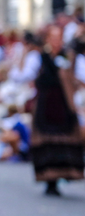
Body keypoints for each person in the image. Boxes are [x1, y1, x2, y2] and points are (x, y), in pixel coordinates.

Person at [29, 25, 84, 196]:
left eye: (59, 38)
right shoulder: (39, 57)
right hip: (45, 104)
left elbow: (77, 78)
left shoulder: (68, 57)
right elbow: (27, 76)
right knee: (46, 141)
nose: (56, 41)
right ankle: (49, 180)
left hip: (63, 104)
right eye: (53, 38)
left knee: (65, 140)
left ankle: (63, 174)